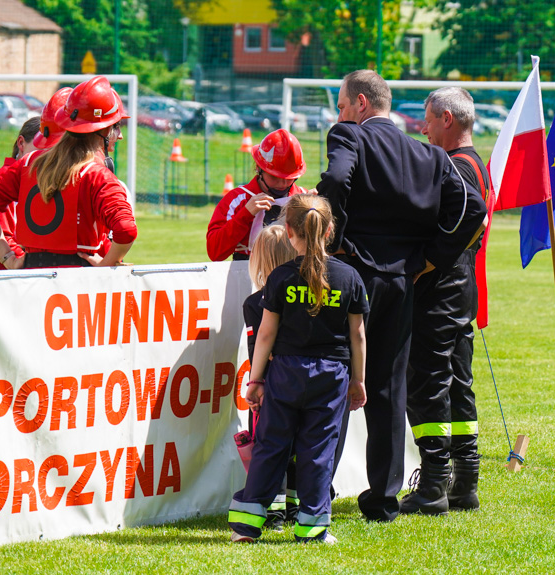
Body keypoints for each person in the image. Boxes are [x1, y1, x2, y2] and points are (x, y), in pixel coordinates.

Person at [316, 69, 485, 522]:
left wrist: (334, 243)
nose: (340, 113)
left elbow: (334, 181)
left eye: (342, 104)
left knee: (336, 378)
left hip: (354, 273)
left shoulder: (349, 136)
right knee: (389, 387)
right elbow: (472, 207)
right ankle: (384, 499)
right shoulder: (427, 155)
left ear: (361, 106)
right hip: (402, 282)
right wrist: (428, 257)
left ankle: (319, 491)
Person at [228, 194, 368, 544]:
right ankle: (312, 528)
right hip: (331, 375)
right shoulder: (350, 278)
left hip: (285, 373)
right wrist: (359, 380)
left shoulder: (280, 278)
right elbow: (358, 336)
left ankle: (246, 528)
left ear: (289, 232)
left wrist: (256, 379)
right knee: (318, 450)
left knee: (270, 447)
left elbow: (265, 335)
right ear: (330, 230)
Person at [401, 87, 489, 515]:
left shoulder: (456, 166)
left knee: (428, 381)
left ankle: (434, 484)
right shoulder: (476, 163)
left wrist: (428, 262)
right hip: (461, 287)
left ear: (448, 119)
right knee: (457, 380)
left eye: (429, 119)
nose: (424, 127)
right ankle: (465, 482)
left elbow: (476, 215)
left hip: (441, 289)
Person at [0, 76, 136, 269]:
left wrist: (8, 257)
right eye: (116, 127)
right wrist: (107, 266)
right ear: (103, 130)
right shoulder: (97, 175)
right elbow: (126, 229)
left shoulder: (26, 164)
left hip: (31, 277)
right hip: (77, 282)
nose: (120, 135)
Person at [243, 223, 299, 530]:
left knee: (269, 447)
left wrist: (256, 382)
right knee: (299, 448)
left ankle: (273, 511)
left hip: (271, 385)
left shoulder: (254, 304)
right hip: (302, 381)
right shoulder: (303, 295)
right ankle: (295, 505)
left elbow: (257, 348)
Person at [207, 129, 308, 262]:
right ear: (258, 168)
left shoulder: (304, 198)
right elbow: (214, 252)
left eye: (290, 178)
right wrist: (245, 215)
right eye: (274, 177)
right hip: (248, 278)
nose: (282, 183)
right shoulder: (238, 199)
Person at [0, 115, 42, 270]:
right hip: (0, 273)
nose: (44, 156)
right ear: (21, 143)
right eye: (40, 148)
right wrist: (26, 263)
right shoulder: (2, 180)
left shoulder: (35, 179)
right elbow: (3, 237)